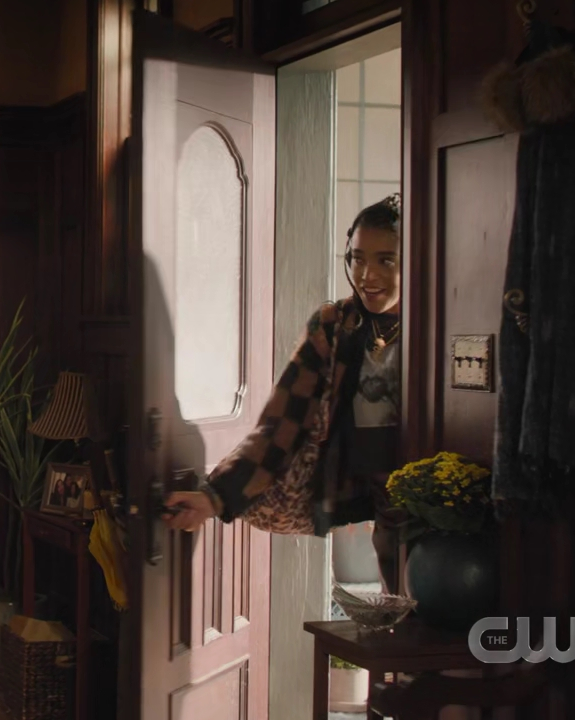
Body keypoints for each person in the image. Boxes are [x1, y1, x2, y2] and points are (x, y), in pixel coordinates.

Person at [163, 194, 408, 592]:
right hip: (363, 485)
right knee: (396, 599)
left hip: (429, 489)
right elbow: (282, 422)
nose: (368, 275)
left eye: (386, 261)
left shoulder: (437, 321)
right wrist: (214, 497)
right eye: (358, 259)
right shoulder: (336, 325)